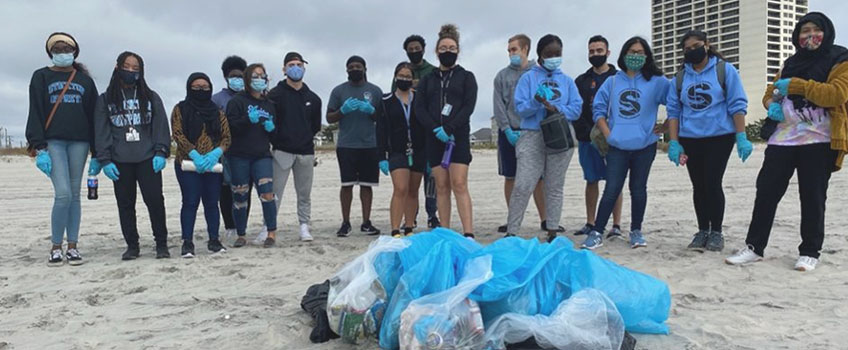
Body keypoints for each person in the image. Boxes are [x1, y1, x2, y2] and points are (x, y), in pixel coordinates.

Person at [726, 12, 848, 271]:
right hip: (782, 139)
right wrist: (771, 105)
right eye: (804, 31)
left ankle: (810, 251)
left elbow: (836, 94)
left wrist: (798, 85)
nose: (810, 36)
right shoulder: (789, 62)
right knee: (766, 192)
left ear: (826, 31)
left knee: (813, 196)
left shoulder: (840, 59)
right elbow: (771, 92)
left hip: (819, 139)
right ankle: (754, 247)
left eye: (815, 29)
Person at [581, 36, 671, 250]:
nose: (635, 56)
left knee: (638, 189)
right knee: (611, 189)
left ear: (647, 56)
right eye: (632, 52)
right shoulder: (612, 81)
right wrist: (609, 134)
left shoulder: (657, 81)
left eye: (640, 52)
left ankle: (636, 231)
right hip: (617, 147)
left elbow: (675, 104)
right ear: (623, 55)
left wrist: (666, 127)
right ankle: (596, 232)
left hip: (645, 146)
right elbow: (599, 111)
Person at [666, 30, 751, 252]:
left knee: (712, 183)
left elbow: (737, 103)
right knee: (698, 185)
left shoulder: (724, 70)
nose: (692, 51)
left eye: (696, 46)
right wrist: (674, 142)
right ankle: (703, 229)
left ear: (706, 45)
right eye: (687, 49)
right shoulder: (680, 77)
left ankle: (716, 232)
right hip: (691, 138)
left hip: (719, 137)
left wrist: (741, 135)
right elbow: (673, 111)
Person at [26, 32, 98, 266]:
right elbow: (35, 110)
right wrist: (39, 147)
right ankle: (56, 246)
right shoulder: (41, 76)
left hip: (80, 142)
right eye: (58, 49)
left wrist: (97, 151)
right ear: (51, 53)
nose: (62, 52)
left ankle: (73, 246)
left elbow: (94, 115)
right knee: (63, 193)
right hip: (53, 141)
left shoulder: (85, 81)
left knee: (75, 195)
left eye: (67, 49)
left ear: (74, 52)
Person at [94, 51, 171, 260]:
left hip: (148, 159)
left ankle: (161, 244)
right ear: (117, 67)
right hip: (120, 161)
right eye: (127, 66)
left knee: (155, 201)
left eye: (135, 68)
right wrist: (105, 160)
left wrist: (161, 151)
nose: (130, 71)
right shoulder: (105, 99)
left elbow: (161, 125)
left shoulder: (151, 96)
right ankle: (132, 245)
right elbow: (101, 131)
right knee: (125, 204)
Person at [508, 34, 582, 241]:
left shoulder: (566, 81)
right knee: (523, 184)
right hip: (532, 135)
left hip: (559, 136)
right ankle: (512, 230)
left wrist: (555, 107)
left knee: (555, 185)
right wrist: (537, 102)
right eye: (548, 54)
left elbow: (576, 109)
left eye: (557, 54)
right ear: (540, 55)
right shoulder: (528, 78)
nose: (553, 57)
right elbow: (520, 109)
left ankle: (552, 229)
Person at [494, 34, 561, 235]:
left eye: (514, 49)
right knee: (511, 176)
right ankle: (512, 219)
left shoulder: (537, 72)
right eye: (509, 50)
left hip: (534, 131)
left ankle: (545, 219)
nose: (511, 53)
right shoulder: (501, 76)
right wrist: (506, 129)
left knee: (538, 178)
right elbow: (498, 105)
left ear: (525, 49)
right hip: (510, 131)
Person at [415, 24, 478, 238]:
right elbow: (419, 108)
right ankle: (445, 231)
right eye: (443, 48)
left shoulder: (467, 77)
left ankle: (468, 232)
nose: (447, 51)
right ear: (436, 51)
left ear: (458, 50)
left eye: (451, 48)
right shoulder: (427, 79)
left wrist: (450, 127)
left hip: (457, 137)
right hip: (434, 138)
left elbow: (468, 107)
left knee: (459, 183)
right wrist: (435, 128)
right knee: (441, 185)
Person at [171, 73, 231, 258]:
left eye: (205, 87)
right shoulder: (180, 109)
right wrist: (193, 154)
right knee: (190, 202)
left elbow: (226, 138)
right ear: (189, 88)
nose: (201, 90)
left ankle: (214, 239)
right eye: (196, 86)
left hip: (213, 166)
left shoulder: (217, 112)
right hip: (188, 163)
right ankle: (187, 242)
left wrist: (215, 154)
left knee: (212, 203)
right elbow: (178, 134)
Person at [326, 55, 384, 237]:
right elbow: (329, 117)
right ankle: (346, 223)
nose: (354, 69)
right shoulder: (339, 91)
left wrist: (372, 111)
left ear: (365, 68)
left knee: (367, 185)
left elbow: (383, 118)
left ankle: (366, 222)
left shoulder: (375, 91)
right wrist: (342, 111)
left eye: (358, 66)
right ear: (346, 70)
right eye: (350, 67)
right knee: (347, 185)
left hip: (369, 144)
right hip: (346, 145)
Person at [573, 35, 624, 239]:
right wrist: (587, 133)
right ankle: (590, 222)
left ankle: (616, 225)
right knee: (591, 180)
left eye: (599, 51)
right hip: (588, 139)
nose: (595, 54)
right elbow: (577, 110)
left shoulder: (619, 78)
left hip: (614, 138)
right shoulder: (581, 80)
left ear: (608, 53)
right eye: (592, 51)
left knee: (615, 182)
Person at [267, 52, 322, 242]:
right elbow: (270, 123)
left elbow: (315, 126)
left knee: (304, 193)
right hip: (281, 150)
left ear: (304, 68)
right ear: (284, 69)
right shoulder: (274, 95)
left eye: (299, 64)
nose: (295, 68)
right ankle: (269, 227)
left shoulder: (313, 98)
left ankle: (304, 226)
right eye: (291, 65)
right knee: (274, 193)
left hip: (305, 152)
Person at [225, 63, 279, 248]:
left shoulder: (269, 104)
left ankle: (271, 232)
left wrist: (272, 129)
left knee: (267, 194)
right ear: (248, 79)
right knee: (240, 195)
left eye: (262, 76)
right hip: (238, 155)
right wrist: (247, 120)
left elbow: (274, 132)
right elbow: (230, 127)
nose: (259, 79)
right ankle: (241, 233)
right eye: (255, 76)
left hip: (262, 155)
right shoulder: (237, 102)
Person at [377, 62, 427, 238]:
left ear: (412, 79)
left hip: (418, 150)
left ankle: (409, 226)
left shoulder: (420, 99)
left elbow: (426, 125)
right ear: (395, 77)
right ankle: (395, 229)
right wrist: (381, 155)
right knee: (400, 188)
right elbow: (381, 130)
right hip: (397, 151)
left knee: (413, 190)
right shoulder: (385, 101)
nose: (404, 79)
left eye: (408, 76)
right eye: (401, 76)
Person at [399, 34, 440, 229]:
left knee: (431, 177)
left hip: (431, 132)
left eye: (417, 48)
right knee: (411, 180)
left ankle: (432, 214)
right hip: (409, 136)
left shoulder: (433, 71)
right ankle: (410, 216)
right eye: (410, 49)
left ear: (424, 49)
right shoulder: (403, 71)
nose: (414, 51)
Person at [212, 55, 248, 240]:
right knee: (225, 190)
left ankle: (242, 224)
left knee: (243, 188)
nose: (238, 79)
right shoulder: (217, 99)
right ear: (226, 77)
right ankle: (229, 225)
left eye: (241, 76)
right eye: (234, 76)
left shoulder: (251, 97)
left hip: (246, 149)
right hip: (223, 151)